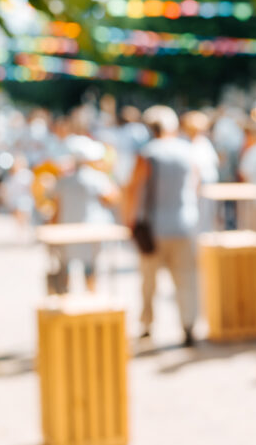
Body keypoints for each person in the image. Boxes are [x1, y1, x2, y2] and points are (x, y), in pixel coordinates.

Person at [124, 105, 200, 347]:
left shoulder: (147, 154)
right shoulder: (187, 151)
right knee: (186, 279)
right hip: (184, 224)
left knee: (149, 281)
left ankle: (147, 324)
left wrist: (130, 221)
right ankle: (188, 325)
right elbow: (195, 185)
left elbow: (133, 189)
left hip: (154, 226)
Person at [49, 136, 120, 293]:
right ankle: (91, 299)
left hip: (67, 230)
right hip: (91, 231)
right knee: (90, 269)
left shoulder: (64, 180)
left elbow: (56, 207)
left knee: (66, 268)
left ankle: (67, 300)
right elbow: (112, 198)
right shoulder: (97, 178)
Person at [181, 111, 219, 233]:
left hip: (206, 186)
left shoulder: (203, 142)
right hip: (197, 186)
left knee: (205, 218)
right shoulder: (187, 144)